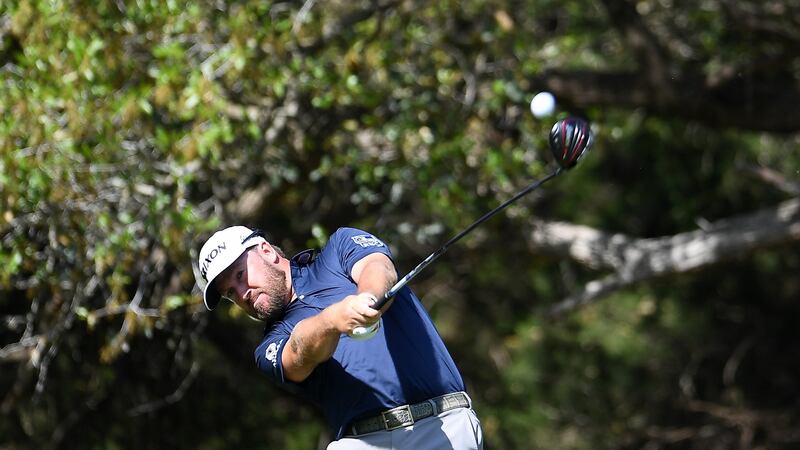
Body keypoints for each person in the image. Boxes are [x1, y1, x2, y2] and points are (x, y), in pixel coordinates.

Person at [197, 225, 483, 449]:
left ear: (267, 252)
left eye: (240, 274)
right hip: (363, 442)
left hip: (440, 425)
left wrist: (368, 299)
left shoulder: (338, 249)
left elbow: (378, 267)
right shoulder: (268, 346)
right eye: (230, 293)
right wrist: (332, 320)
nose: (241, 292)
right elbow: (298, 354)